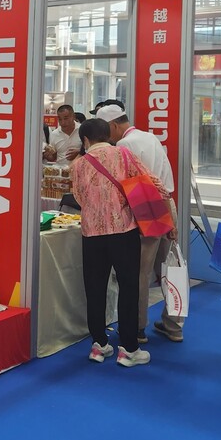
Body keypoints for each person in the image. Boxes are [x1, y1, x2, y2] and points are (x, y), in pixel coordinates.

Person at [71, 117, 165, 368]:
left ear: (85, 140)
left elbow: (79, 197)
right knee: (128, 287)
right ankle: (129, 349)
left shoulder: (78, 165)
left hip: (92, 234)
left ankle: (99, 344)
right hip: (124, 231)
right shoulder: (123, 155)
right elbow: (151, 182)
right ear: (108, 134)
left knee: (95, 288)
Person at [96, 104, 178, 344]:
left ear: (113, 125)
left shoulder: (124, 145)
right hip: (167, 204)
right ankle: (174, 325)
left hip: (144, 207)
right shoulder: (149, 136)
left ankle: (138, 327)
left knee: (140, 272)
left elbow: (126, 183)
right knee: (169, 268)